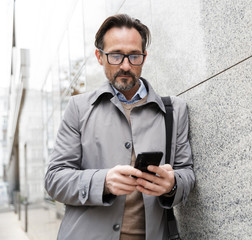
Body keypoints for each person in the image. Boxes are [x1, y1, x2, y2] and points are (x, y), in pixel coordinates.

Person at [45, 14, 195, 240]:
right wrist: (103, 182)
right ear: (99, 56)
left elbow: (187, 174)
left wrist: (172, 185)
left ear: (144, 57)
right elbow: (54, 180)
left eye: (134, 56)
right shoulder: (78, 108)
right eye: (116, 55)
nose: (125, 65)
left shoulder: (175, 110)